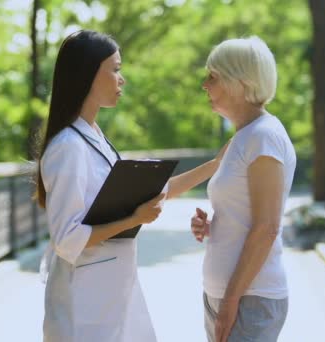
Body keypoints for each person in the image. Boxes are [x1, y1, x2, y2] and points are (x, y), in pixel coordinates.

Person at [36, 30, 229, 342]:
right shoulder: (68, 146)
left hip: (113, 291)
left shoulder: (95, 137)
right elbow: (67, 238)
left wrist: (214, 166)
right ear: (87, 75)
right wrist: (134, 219)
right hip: (84, 304)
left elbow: (154, 195)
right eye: (115, 69)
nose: (121, 79)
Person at [190, 36, 296, 342]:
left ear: (240, 81)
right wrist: (214, 227)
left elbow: (266, 228)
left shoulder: (264, 136)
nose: (204, 85)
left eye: (213, 76)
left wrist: (231, 301)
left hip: (249, 300)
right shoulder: (244, 137)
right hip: (226, 298)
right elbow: (249, 218)